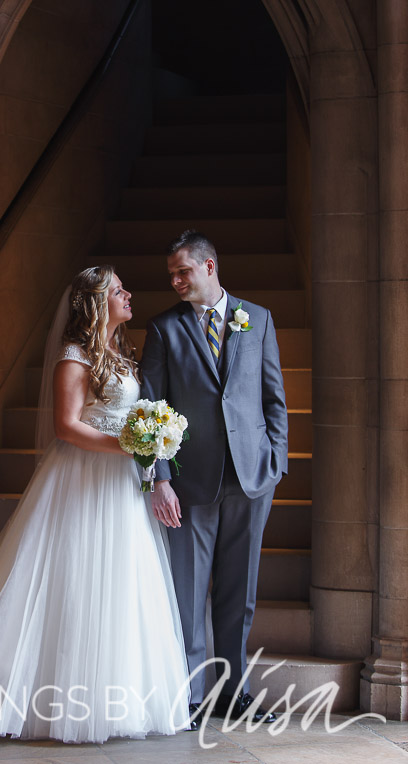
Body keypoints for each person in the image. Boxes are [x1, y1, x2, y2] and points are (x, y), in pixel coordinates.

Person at [0, 265, 189, 743]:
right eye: (118, 289)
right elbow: (67, 426)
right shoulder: (75, 354)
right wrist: (125, 445)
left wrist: (145, 455)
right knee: (75, 579)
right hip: (83, 478)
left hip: (121, 484)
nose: (129, 294)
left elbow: (126, 419)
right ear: (95, 302)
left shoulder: (121, 352)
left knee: (122, 582)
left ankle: (117, 698)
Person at [140, 230, 288, 728]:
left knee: (238, 595)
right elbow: (152, 408)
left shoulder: (258, 319)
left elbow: (273, 400)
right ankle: (189, 696)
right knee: (188, 593)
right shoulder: (163, 329)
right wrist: (159, 477)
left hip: (251, 479)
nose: (177, 281)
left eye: (183, 271)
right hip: (189, 484)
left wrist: (276, 462)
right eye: (172, 274)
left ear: (209, 267)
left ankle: (233, 694)